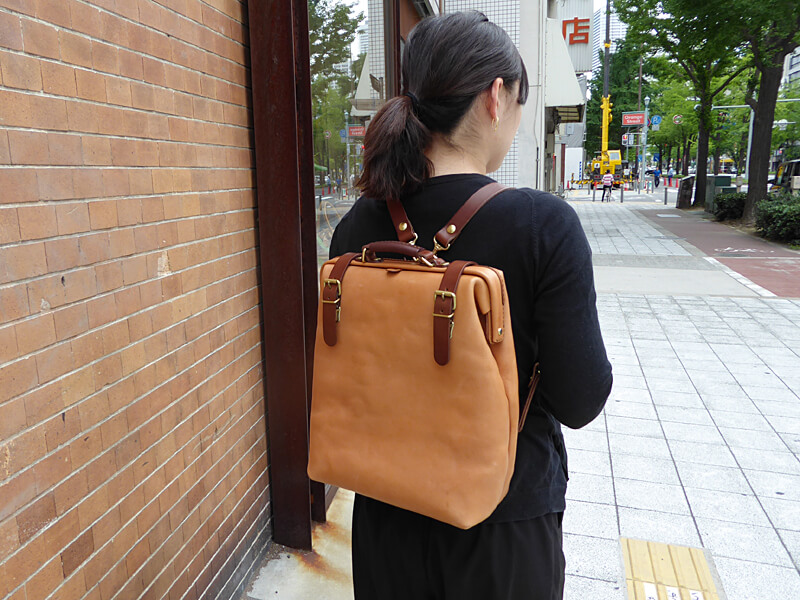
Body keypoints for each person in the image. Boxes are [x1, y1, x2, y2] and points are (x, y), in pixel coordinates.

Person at [329, 12, 612, 600]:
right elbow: (581, 399)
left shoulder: (357, 225)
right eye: (519, 104)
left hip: (386, 514)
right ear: (495, 96)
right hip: (502, 526)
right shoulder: (543, 225)